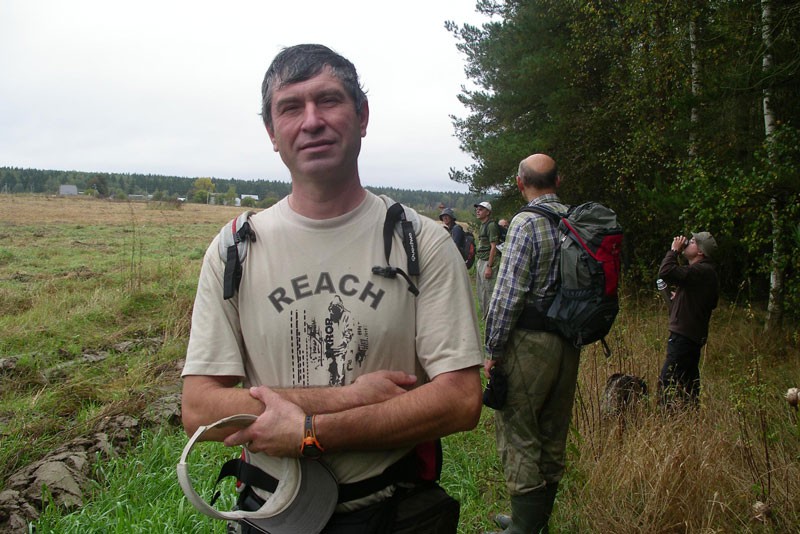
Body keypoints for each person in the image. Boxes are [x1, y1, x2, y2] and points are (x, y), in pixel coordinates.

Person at [180, 44, 483, 532]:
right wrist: (347, 398)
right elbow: (199, 408)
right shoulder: (236, 247)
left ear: (362, 117)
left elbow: (461, 399)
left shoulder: (421, 242)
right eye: (290, 107)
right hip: (272, 514)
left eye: (329, 100)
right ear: (272, 133)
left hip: (391, 513)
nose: (312, 121)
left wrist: (310, 433)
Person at [483, 153, 578, 534]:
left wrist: (493, 349)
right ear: (558, 181)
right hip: (569, 343)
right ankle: (535, 521)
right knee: (552, 432)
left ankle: (523, 528)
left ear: (520, 183)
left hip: (529, 344)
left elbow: (509, 295)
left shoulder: (525, 223)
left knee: (519, 432)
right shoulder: (576, 219)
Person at [657, 232, 719, 408]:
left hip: (684, 336)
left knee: (668, 379)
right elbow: (708, 302)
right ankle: (690, 415)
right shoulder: (706, 272)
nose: (686, 243)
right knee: (688, 382)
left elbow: (665, 271)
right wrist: (682, 298)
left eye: (692, 242)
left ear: (700, 251)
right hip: (691, 336)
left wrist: (674, 251)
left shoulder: (702, 271)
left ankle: (665, 416)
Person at [474, 201, 502, 319]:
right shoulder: (483, 225)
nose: (478, 211)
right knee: (481, 289)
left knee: (489, 290)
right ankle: (485, 315)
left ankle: (492, 316)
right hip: (481, 260)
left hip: (488, 262)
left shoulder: (491, 226)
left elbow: (493, 247)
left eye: (481, 209)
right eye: (477, 209)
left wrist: (489, 267)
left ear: (488, 212)